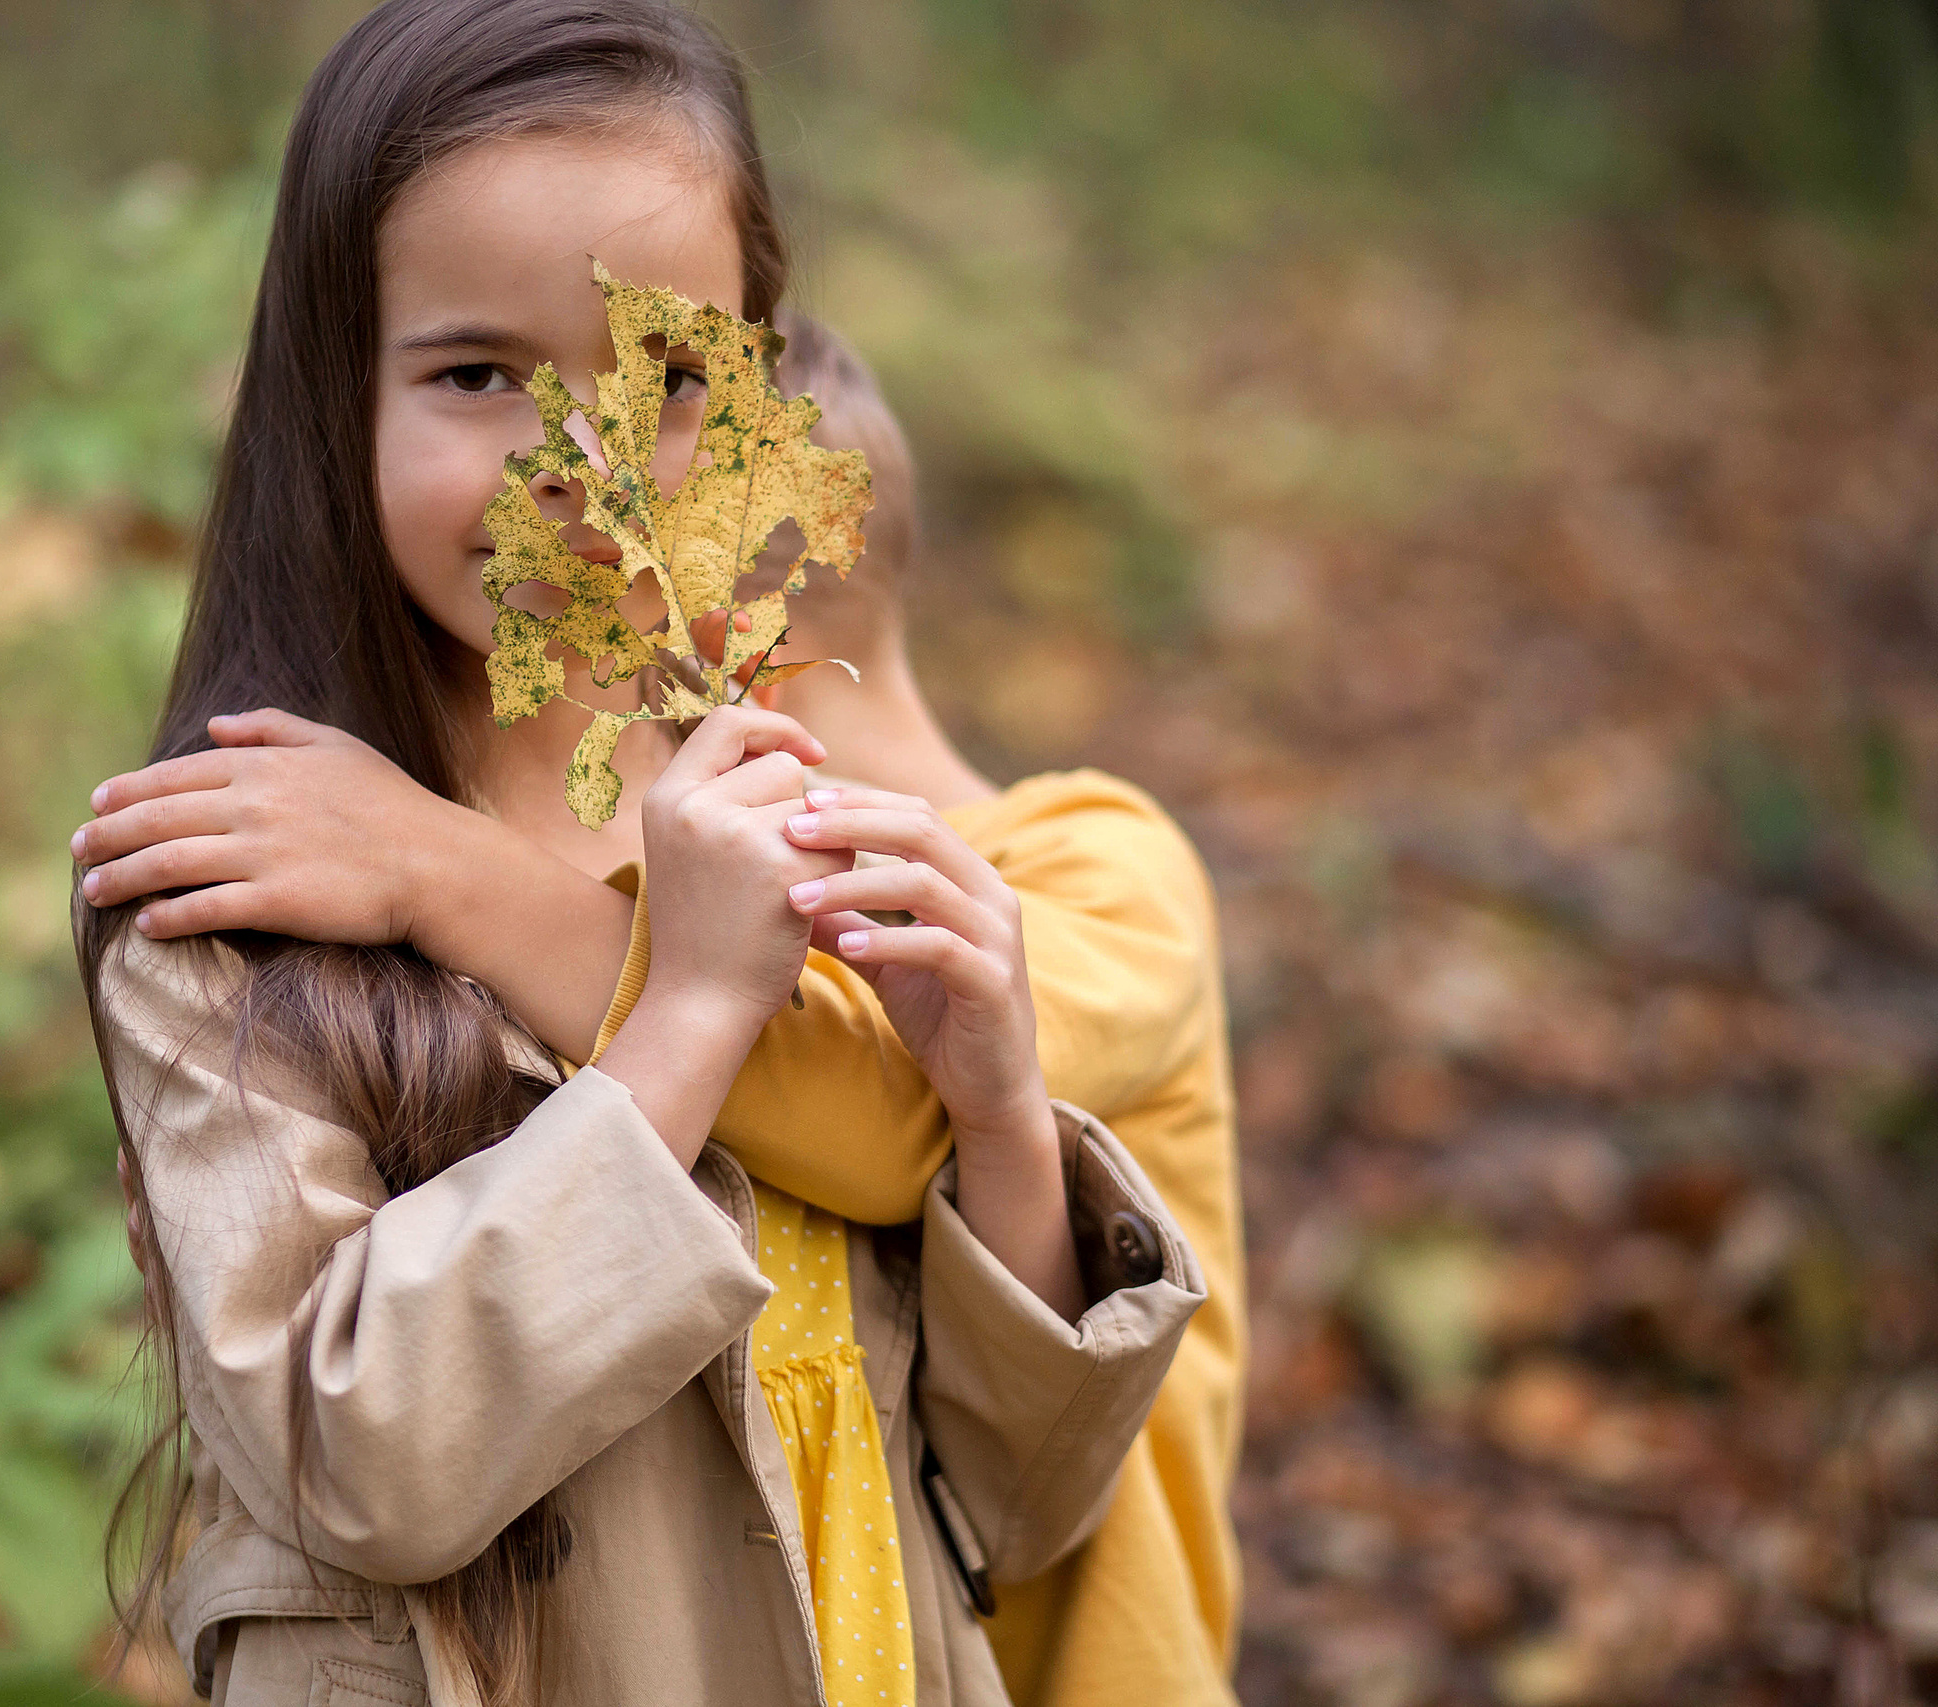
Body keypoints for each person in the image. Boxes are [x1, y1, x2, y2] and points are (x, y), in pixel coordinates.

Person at [71, 3, 1209, 1703]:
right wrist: (682, 1022)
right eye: (479, 376)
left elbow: (1004, 1515)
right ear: (331, 385)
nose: (584, 473)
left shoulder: (755, 803)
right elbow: (358, 1466)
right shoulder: (241, 880)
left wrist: (996, 1122)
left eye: (673, 381)